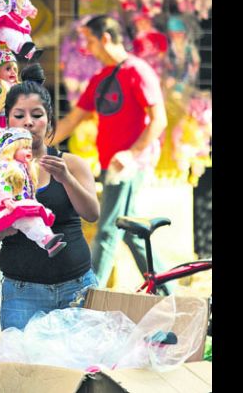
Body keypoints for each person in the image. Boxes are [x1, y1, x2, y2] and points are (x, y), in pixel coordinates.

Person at [0, 64, 100, 330]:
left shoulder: (71, 164)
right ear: (7, 121)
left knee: (81, 369)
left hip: (77, 288)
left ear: (49, 120)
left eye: (36, 115)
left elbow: (92, 214)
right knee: (25, 371)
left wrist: (66, 179)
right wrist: (4, 228)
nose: (28, 122)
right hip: (23, 294)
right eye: (19, 115)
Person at [51, 15, 172, 293]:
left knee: (107, 231)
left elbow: (159, 120)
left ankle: (88, 297)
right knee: (132, 233)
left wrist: (131, 154)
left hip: (129, 166)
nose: (89, 49)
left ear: (105, 38)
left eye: (91, 42)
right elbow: (72, 121)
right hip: (110, 165)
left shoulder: (138, 71)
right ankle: (171, 295)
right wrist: (37, 144)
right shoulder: (101, 77)